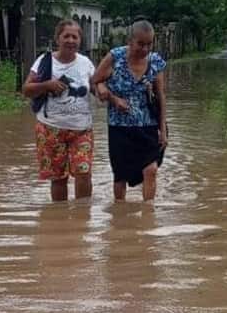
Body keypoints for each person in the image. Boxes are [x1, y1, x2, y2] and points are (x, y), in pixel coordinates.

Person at [92, 20, 167, 202]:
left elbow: (161, 96)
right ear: (130, 40)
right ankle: (119, 214)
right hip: (119, 126)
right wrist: (111, 97)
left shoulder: (155, 62)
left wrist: (162, 129)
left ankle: (148, 213)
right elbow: (94, 81)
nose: (145, 49)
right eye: (140, 44)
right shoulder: (115, 57)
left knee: (151, 169)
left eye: (149, 44)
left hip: (148, 125)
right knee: (120, 176)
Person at [22, 20, 96, 202]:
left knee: (84, 173)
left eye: (75, 37)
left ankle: (82, 217)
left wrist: (108, 93)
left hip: (82, 130)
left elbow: (96, 88)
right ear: (57, 39)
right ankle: (59, 220)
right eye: (66, 36)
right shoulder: (44, 61)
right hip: (50, 128)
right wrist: (47, 85)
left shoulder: (86, 63)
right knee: (58, 178)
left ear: (80, 40)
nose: (71, 41)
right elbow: (26, 89)